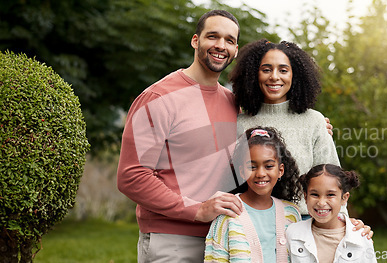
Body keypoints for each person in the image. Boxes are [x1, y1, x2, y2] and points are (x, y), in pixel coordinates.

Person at [117, 10, 371, 263]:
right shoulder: (158, 98)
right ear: (195, 40)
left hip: (235, 232)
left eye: (229, 40)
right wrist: (197, 210)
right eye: (212, 36)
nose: (220, 45)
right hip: (174, 238)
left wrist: (345, 224)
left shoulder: (231, 104)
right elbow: (131, 176)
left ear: (236, 49)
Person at [231, 39, 345, 219]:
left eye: (283, 70)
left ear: (295, 75)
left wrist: (342, 223)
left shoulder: (314, 121)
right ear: (254, 74)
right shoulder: (239, 124)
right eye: (266, 69)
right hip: (254, 221)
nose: (274, 76)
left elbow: (333, 178)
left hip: (305, 222)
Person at [204, 127, 302, 262]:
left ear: (280, 170)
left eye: (268, 166)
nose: (261, 174)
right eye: (252, 167)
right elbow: (215, 258)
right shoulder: (228, 213)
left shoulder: (291, 214)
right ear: (242, 172)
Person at [286, 164, 377, 263]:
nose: (321, 203)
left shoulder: (360, 237)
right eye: (315, 194)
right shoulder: (292, 233)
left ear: (344, 198)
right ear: (306, 197)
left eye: (330, 195)